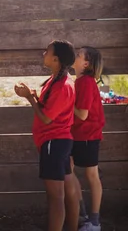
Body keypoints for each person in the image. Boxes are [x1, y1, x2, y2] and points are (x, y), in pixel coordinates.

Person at [14, 40, 79, 231]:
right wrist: (34, 96)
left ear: (56, 59)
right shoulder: (56, 80)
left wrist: (28, 98)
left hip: (54, 143)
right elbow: (50, 109)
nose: (44, 53)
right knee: (65, 191)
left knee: (56, 196)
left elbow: (46, 119)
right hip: (59, 142)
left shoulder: (62, 86)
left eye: (47, 51)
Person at [71, 47, 105, 231]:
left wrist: (67, 102)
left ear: (86, 63)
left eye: (78, 55)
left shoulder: (85, 82)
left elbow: (82, 114)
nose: (74, 56)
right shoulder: (81, 81)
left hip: (87, 135)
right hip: (79, 134)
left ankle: (94, 222)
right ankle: (83, 214)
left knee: (91, 176)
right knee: (68, 171)